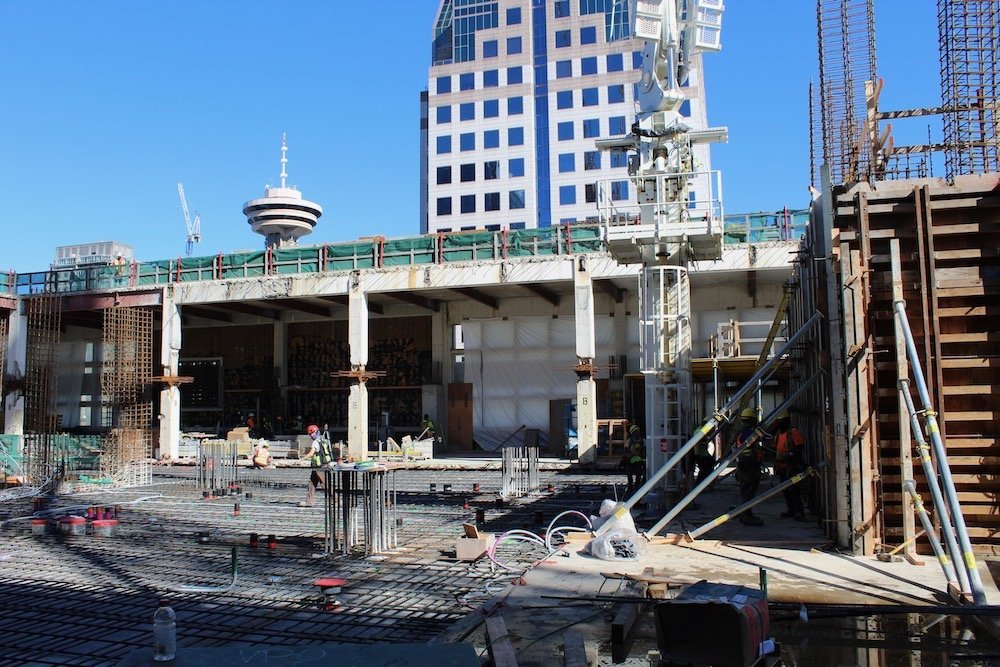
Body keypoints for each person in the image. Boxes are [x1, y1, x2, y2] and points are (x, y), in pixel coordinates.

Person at [734, 407, 765, 526]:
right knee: (750, 490)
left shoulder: (741, 431)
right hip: (749, 464)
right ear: (751, 419)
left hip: (744, 463)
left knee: (746, 490)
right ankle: (746, 515)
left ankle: (746, 513)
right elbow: (754, 440)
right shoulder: (748, 433)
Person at [774, 414, 806, 521]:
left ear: (787, 421)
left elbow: (800, 446)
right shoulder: (779, 434)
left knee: (794, 489)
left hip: (792, 467)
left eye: (781, 421)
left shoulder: (793, 432)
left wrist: (791, 455)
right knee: (785, 490)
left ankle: (799, 512)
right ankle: (791, 510)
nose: (780, 424)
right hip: (782, 466)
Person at [300, 424, 334, 507]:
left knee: (325, 484)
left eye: (311, 433)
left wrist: (302, 459)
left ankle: (336, 500)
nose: (311, 435)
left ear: (315, 432)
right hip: (322, 465)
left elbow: (311, 453)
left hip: (319, 467)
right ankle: (309, 501)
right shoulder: (323, 440)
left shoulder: (315, 442)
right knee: (311, 483)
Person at [625, 424, 646, 493]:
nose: (637, 433)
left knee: (638, 474)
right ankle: (631, 486)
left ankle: (637, 486)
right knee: (630, 474)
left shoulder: (643, 441)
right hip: (631, 460)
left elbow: (645, 451)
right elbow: (626, 451)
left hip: (639, 461)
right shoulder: (630, 441)